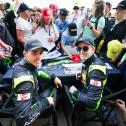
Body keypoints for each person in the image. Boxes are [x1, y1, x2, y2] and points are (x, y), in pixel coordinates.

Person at [12, 39, 62, 126]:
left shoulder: (23, 63)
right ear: (25, 53)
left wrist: (53, 77)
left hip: (31, 98)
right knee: (53, 89)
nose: (39, 57)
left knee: (52, 84)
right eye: (34, 53)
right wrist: (46, 101)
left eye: (41, 53)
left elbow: (38, 70)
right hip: (32, 105)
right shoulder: (25, 82)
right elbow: (22, 121)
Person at [66, 37, 107, 110]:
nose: (81, 51)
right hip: (85, 88)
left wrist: (75, 91)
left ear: (93, 49)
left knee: (67, 86)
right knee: (67, 82)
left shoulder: (96, 70)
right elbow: (88, 71)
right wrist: (82, 75)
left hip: (89, 103)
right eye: (79, 49)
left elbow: (92, 102)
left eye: (85, 48)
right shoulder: (88, 58)